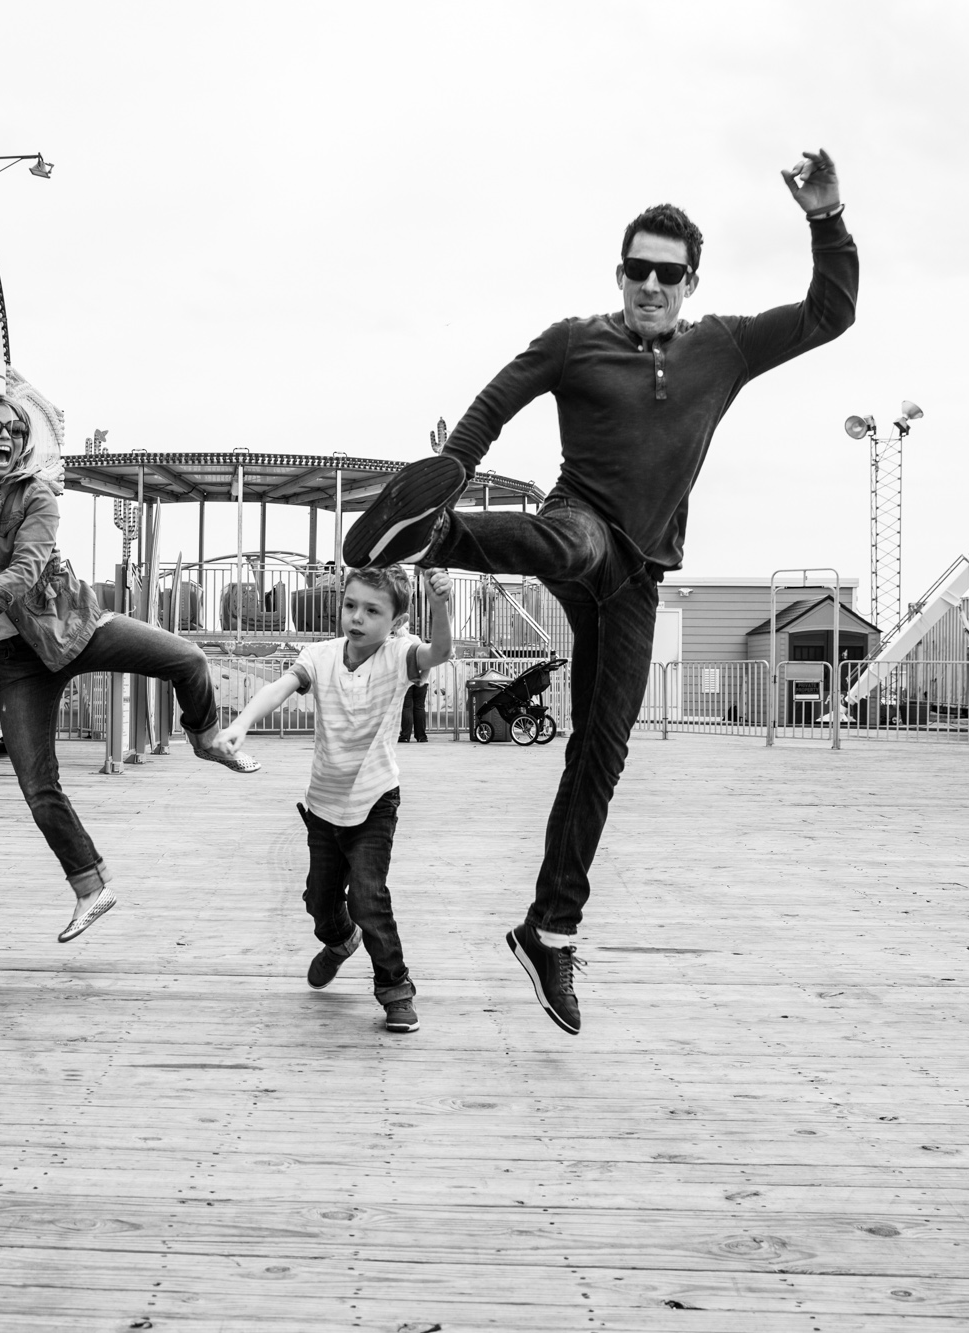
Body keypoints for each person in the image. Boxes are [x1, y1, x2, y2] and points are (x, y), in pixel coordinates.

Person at [341, 150, 858, 1035]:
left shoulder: (723, 347)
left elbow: (827, 314)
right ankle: (435, 530)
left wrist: (826, 217)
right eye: (636, 270)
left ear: (691, 281)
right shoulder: (576, 339)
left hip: (643, 571)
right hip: (581, 521)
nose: (650, 285)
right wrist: (451, 470)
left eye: (668, 273)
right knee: (572, 543)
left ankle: (550, 928)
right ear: (618, 273)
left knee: (603, 751)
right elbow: (499, 396)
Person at [0, 384, 259, 943]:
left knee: (186, 658)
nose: (7, 439)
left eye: (16, 432)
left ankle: (208, 738)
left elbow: (27, 569)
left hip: (71, 625)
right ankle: (92, 885)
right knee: (38, 784)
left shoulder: (37, 496)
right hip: (18, 658)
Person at [216, 566, 453, 1033]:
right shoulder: (319, 655)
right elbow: (279, 687)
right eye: (350, 606)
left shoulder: (400, 655)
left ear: (397, 620)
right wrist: (241, 724)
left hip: (374, 800)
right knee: (320, 901)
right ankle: (340, 941)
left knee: (369, 898)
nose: (357, 617)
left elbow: (440, 652)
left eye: (372, 610)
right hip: (323, 804)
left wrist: (440, 602)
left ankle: (395, 988)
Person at [397, 678, 429, 743]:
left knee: (406, 707)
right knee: (420, 707)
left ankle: (405, 736)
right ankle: (421, 737)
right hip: (422, 680)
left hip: (406, 681)